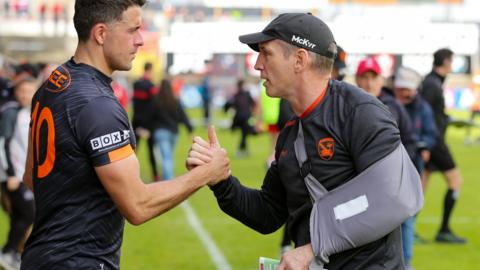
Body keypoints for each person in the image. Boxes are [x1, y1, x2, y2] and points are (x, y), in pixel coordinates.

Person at [188, 13, 419, 270]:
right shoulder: (290, 133)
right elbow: (268, 213)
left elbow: (397, 197)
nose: (257, 64)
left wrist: (313, 249)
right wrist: (221, 181)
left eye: (266, 53)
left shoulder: (359, 111)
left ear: (299, 59)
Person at [20, 1, 230, 269]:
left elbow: (31, 178)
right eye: (133, 30)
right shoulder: (97, 104)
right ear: (100, 33)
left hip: (39, 256)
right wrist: (205, 173)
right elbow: (138, 206)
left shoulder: (53, 83)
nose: (140, 40)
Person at [418, 48, 467, 243]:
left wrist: (448, 118)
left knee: (421, 186)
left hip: (433, 141)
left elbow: (434, 113)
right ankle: (444, 230)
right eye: (451, 60)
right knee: (456, 182)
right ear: (446, 61)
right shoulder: (432, 84)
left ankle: (408, 229)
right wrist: (427, 143)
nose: (452, 64)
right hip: (436, 142)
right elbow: (424, 113)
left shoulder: (432, 82)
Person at [393, 66, 437, 269]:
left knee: (407, 216)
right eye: (401, 89)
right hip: (387, 167)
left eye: (407, 89)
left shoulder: (423, 108)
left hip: (412, 163)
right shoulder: (386, 105)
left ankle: (406, 263)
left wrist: (425, 146)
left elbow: (430, 133)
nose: (405, 93)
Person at [0, 76, 37, 270]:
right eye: (22, 91)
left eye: (29, 90)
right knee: (29, 213)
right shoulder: (12, 114)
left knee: (20, 216)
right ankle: (8, 252)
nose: (25, 94)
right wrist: (12, 174)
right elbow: (3, 144)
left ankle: (12, 254)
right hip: (13, 177)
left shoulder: (32, 113)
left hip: (27, 176)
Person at [355, 57, 416, 159]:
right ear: (357, 79)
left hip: (390, 167)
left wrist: (401, 163)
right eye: (365, 77)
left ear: (381, 79)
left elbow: (409, 139)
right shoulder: (347, 106)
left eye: (374, 77)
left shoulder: (395, 106)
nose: (369, 83)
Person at [151, 78, 193, 180]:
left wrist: (147, 128)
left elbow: (150, 116)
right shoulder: (175, 100)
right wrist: (189, 129)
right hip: (174, 132)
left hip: (160, 132)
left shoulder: (156, 100)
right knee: (169, 157)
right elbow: (183, 116)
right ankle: (168, 178)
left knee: (166, 157)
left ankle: (168, 180)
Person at [132, 62, 160, 181]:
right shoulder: (151, 86)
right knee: (151, 151)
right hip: (148, 123)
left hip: (136, 122)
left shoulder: (136, 84)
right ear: (150, 70)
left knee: (132, 151)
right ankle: (155, 175)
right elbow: (153, 107)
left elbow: (135, 104)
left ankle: (128, 174)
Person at [224, 79, 256, 157]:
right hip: (245, 117)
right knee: (244, 134)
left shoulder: (236, 95)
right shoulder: (246, 94)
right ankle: (241, 150)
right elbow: (253, 103)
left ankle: (243, 150)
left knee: (244, 134)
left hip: (239, 118)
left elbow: (227, 105)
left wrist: (226, 110)